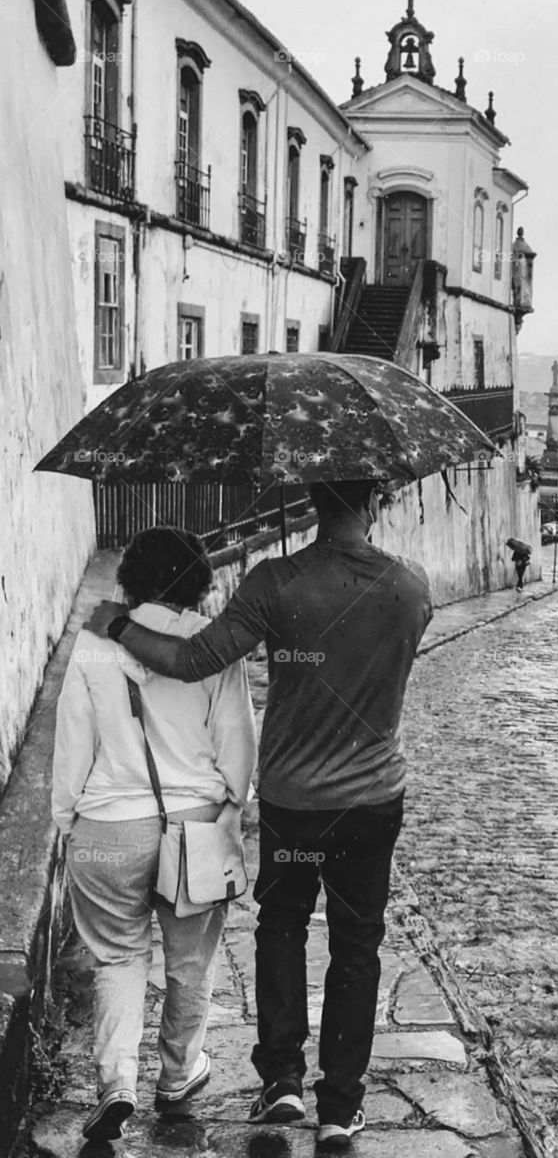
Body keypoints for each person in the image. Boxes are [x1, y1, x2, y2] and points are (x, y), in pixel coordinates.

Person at [84, 481, 432, 1149]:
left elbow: (192, 660)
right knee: (358, 945)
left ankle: (282, 1083)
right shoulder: (411, 587)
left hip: (293, 801)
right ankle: (340, 1107)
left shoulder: (274, 583)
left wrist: (119, 624)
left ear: (313, 499)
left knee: (282, 927)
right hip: (371, 801)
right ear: (374, 501)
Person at [54, 528, 256, 1143]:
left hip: (107, 825)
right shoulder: (212, 644)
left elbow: (72, 740)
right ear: (200, 581)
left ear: (130, 581)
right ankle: (178, 1075)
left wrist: (67, 821)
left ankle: (117, 1082)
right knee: (191, 960)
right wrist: (233, 807)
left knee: (118, 955)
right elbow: (238, 743)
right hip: (196, 823)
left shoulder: (95, 641)